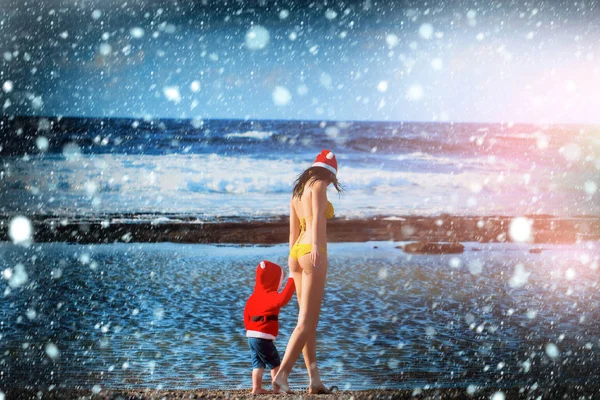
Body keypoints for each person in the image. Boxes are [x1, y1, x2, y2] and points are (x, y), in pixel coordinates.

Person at [273, 149, 343, 394]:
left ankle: (314, 380)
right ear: (330, 172)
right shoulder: (320, 185)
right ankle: (282, 374)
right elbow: (317, 220)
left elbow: (292, 232)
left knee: (307, 323)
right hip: (313, 254)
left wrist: (292, 259)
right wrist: (315, 248)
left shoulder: (297, 192)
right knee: (306, 321)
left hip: (295, 254)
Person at [244, 260, 296, 394]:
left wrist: (250, 329)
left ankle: (256, 388)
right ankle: (279, 389)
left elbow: (246, 316)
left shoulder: (253, 297)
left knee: (258, 364)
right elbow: (284, 298)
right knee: (275, 363)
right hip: (263, 336)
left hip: (251, 336)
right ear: (273, 281)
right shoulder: (271, 296)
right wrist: (292, 278)